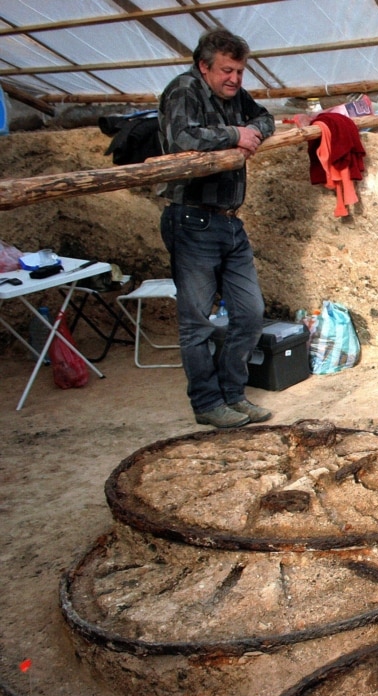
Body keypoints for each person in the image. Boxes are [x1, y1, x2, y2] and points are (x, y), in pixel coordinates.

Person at [157, 29, 276, 428]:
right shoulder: (183, 90)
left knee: (250, 312)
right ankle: (208, 404)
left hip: (228, 221)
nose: (236, 79)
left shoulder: (235, 96)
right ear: (203, 66)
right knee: (197, 322)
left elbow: (265, 118)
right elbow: (181, 139)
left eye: (241, 71)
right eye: (227, 70)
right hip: (191, 219)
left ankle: (233, 395)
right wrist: (233, 135)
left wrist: (252, 132)